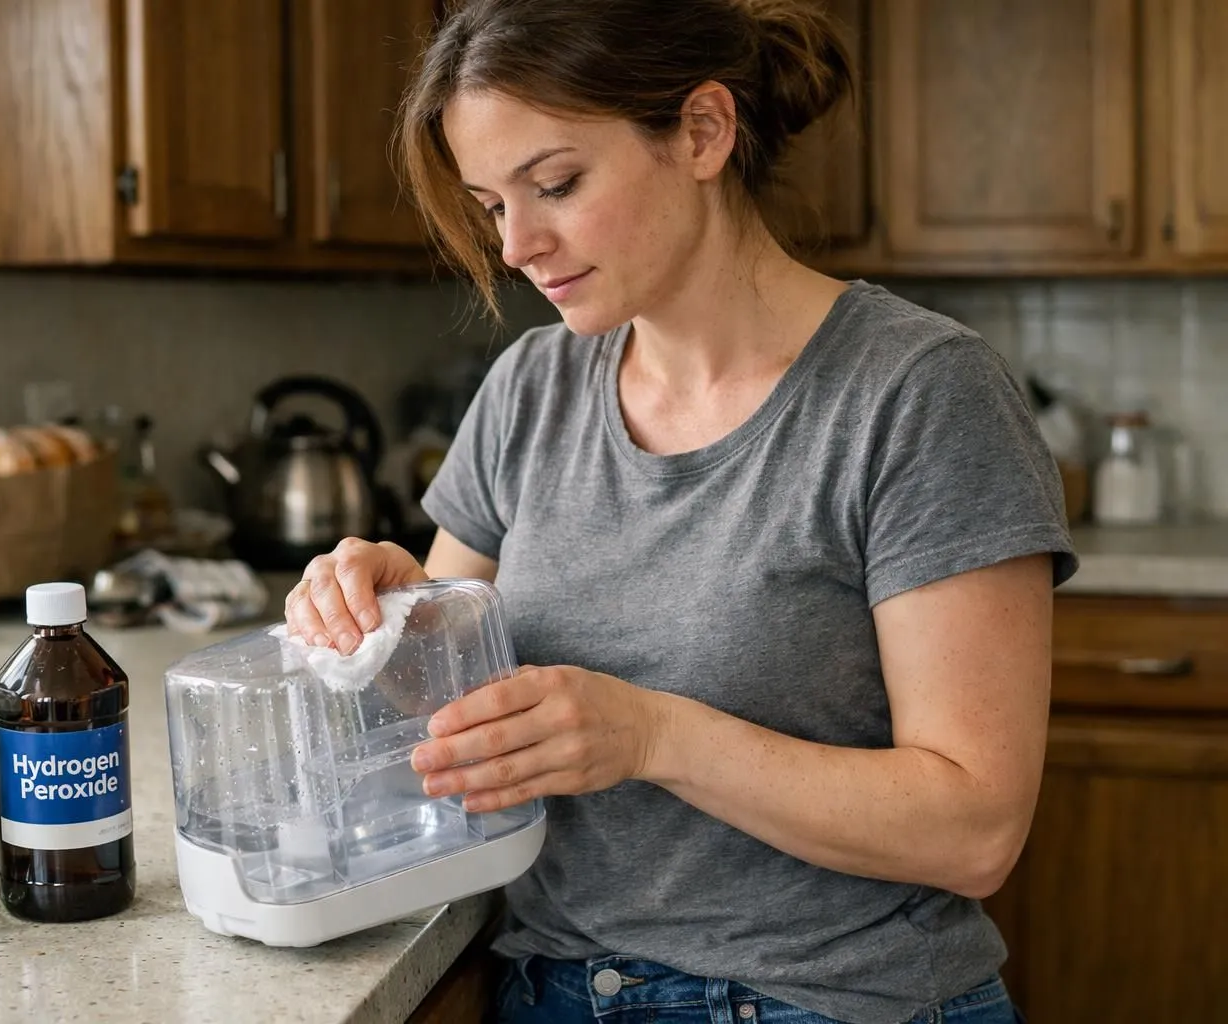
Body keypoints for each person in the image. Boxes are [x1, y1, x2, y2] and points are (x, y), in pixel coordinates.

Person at [283, 1, 1076, 1021]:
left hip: (830, 1000)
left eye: (556, 184)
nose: (520, 243)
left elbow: (976, 830)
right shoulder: (532, 388)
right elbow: (449, 718)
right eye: (491, 206)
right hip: (551, 991)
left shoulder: (918, 394)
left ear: (703, 131)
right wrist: (384, 622)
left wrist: (652, 735)